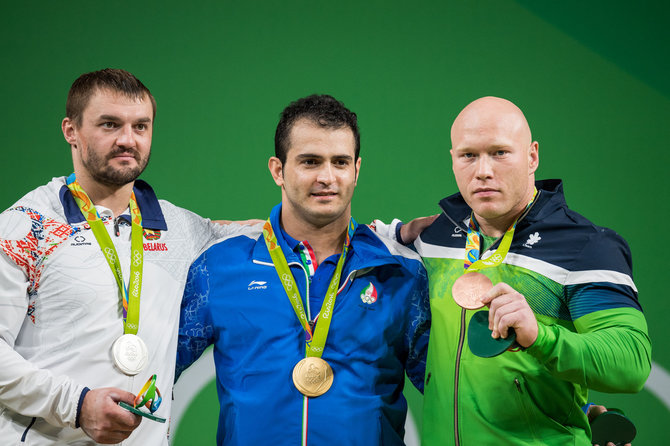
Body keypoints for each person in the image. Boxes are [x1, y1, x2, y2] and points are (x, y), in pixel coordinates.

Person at [379, 96, 651, 445]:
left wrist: (540, 337)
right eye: (468, 155)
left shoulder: (584, 247)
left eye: (500, 153)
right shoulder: (435, 237)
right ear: (453, 160)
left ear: (532, 156)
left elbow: (631, 362)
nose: (483, 171)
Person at [0, 69, 241, 445]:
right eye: (110, 125)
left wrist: (359, 233)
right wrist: (77, 405)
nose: (127, 140)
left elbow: (269, 232)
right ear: (71, 131)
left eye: (140, 126)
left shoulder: (178, 228)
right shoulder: (27, 227)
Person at [176, 94, 431, 445]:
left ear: (356, 170)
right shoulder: (220, 266)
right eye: (310, 161)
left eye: (340, 162)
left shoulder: (399, 272)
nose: (327, 177)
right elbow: (153, 369)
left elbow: (451, 389)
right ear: (277, 170)